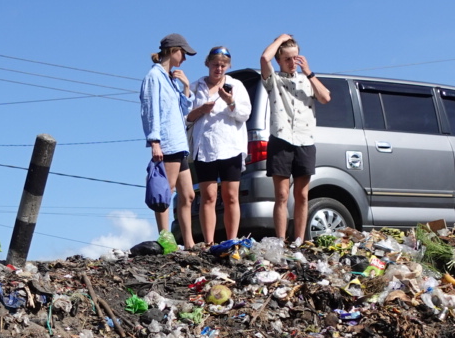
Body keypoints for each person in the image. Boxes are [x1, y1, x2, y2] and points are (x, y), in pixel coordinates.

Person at [259, 32, 331, 245]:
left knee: (302, 195)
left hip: (305, 140)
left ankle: (299, 240)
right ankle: (280, 240)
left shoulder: (306, 80)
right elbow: (264, 58)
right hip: (281, 138)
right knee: (281, 195)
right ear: (280, 60)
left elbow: (326, 97)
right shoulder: (274, 80)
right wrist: (279, 40)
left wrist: (308, 71)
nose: (292, 63)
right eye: (287, 59)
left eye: (295, 58)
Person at [187, 46, 250, 247]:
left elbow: (244, 114)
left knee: (231, 195)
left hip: (230, 145)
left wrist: (230, 102)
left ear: (228, 66)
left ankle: (232, 240)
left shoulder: (236, 85)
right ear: (208, 64)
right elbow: (185, 117)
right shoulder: (196, 87)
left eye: (223, 65)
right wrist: (201, 110)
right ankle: (209, 241)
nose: (219, 69)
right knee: (208, 196)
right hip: (205, 147)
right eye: (215, 64)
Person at [140, 33, 196, 242]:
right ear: (173, 50)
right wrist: (154, 141)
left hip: (179, 143)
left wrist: (186, 87)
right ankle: (165, 238)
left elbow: (184, 109)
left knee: (188, 194)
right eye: (183, 53)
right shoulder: (154, 77)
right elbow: (150, 110)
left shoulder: (169, 78)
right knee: (165, 192)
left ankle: (189, 242)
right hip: (167, 143)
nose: (184, 58)